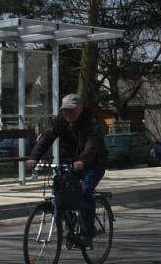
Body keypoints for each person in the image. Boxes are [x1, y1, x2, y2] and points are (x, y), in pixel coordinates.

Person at [26, 93, 109, 247]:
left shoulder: (91, 120)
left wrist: (83, 160)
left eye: (71, 110)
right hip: (73, 162)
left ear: (81, 109)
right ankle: (70, 220)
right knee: (61, 189)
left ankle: (86, 233)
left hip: (95, 162)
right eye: (65, 110)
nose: (68, 114)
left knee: (84, 192)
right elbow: (47, 137)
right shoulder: (61, 121)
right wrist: (34, 157)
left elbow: (93, 142)